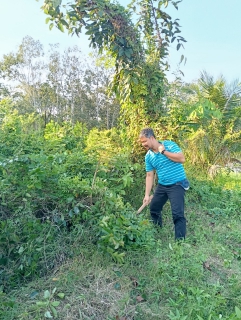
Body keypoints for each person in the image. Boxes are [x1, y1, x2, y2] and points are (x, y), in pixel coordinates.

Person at [139, 127, 189, 240]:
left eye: (144, 141)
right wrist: (147, 195)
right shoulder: (149, 156)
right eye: (142, 142)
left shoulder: (169, 145)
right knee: (154, 208)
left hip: (177, 184)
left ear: (151, 138)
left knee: (177, 214)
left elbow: (182, 159)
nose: (143, 144)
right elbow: (149, 175)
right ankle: (157, 232)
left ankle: (180, 242)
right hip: (163, 186)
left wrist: (164, 152)